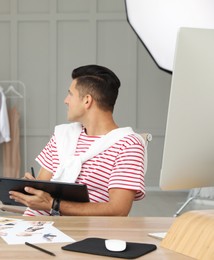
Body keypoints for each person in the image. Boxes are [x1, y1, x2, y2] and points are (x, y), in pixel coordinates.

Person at [9, 65, 146, 216]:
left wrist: (53, 204)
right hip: (31, 227)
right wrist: (28, 189)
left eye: (70, 94)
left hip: (79, 232)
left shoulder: (128, 145)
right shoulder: (63, 136)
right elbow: (42, 189)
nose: (65, 100)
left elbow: (118, 210)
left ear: (87, 101)